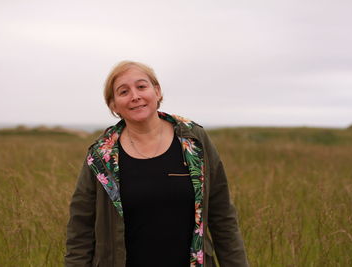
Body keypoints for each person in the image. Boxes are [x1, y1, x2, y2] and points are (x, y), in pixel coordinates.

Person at [65, 61, 249, 267]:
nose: (135, 96)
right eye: (123, 91)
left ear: (157, 91)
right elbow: (80, 229)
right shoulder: (101, 155)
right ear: (113, 105)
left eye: (142, 87)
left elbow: (222, 216)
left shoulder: (193, 140)